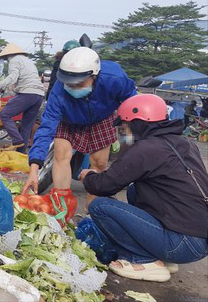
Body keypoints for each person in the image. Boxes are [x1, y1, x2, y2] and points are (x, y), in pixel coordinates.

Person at [80, 94, 208, 282]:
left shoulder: (147, 148)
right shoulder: (184, 143)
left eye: (124, 127)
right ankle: (164, 257)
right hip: (198, 242)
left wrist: (88, 176)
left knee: (100, 206)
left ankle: (143, 260)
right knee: (135, 190)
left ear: (138, 123)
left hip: (181, 245)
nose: (123, 132)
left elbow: (104, 185)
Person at [24, 47, 137, 207]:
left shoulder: (114, 78)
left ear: (94, 75)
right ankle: (61, 205)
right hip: (69, 120)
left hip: (101, 118)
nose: (73, 87)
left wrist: (130, 131)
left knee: (99, 163)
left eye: (79, 83)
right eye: (69, 83)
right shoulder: (58, 93)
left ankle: (92, 210)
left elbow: (132, 102)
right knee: (61, 156)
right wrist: (34, 170)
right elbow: (46, 129)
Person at [0, 43, 45, 153]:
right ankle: (21, 153)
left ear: (8, 55)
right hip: (39, 95)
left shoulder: (14, 60)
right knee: (26, 126)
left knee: (5, 114)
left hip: (28, 93)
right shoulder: (28, 61)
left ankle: (17, 140)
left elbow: (13, 77)